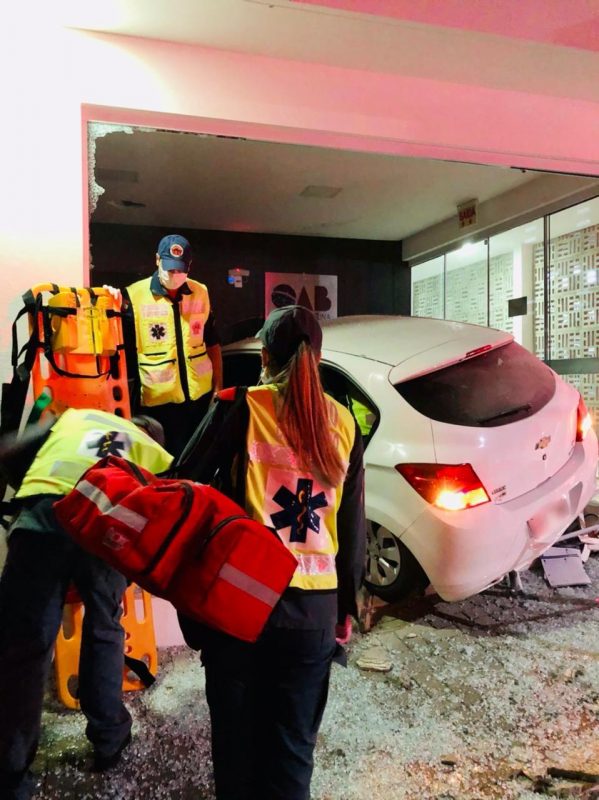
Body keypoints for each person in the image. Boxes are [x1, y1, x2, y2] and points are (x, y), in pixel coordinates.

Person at [176, 305, 366, 800]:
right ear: (319, 358)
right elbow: (350, 529)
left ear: (265, 356)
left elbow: (181, 488)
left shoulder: (242, 405)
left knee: (237, 758)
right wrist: (345, 608)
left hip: (241, 607)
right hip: (314, 614)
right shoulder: (346, 425)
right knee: (292, 754)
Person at [0, 408, 173, 800]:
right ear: (151, 435)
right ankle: (109, 737)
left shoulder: (76, 417)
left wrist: (28, 496)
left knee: (26, 648)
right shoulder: (152, 451)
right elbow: (156, 513)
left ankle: (11, 774)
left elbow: (11, 452)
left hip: (42, 515)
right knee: (105, 626)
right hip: (104, 523)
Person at [122, 233, 223, 458]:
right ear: (157, 260)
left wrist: (218, 387)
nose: (175, 275)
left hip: (199, 399)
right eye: (170, 269)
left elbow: (213, 342)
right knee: (162, 466)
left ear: (189, 266)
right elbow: (124, 355)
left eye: (180, 270)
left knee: (196, 461)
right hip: (157, 405)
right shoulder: (135, 295)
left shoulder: (200, 292)